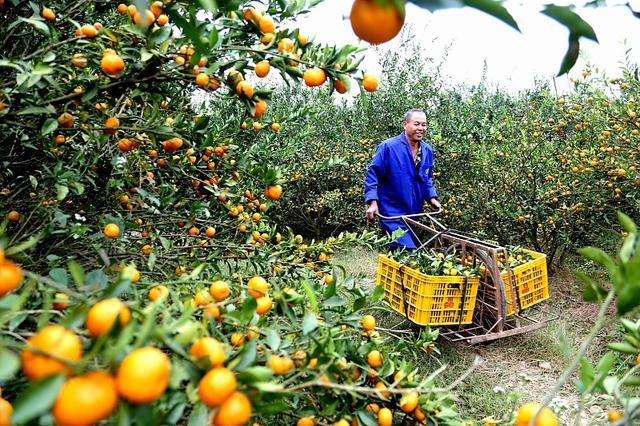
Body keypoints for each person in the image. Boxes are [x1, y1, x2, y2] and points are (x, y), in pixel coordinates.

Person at [364, 109, 441, 249]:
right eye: (416, 124)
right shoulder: (388, 147)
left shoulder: (427, 150)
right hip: (392, 212)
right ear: (405, 125)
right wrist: (372, 203)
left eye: (424, 125)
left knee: (400, 255)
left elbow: (427, 178)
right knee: (407, 250)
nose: (421, 128)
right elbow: (372, 174)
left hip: (414, 212)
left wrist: (432, 198)